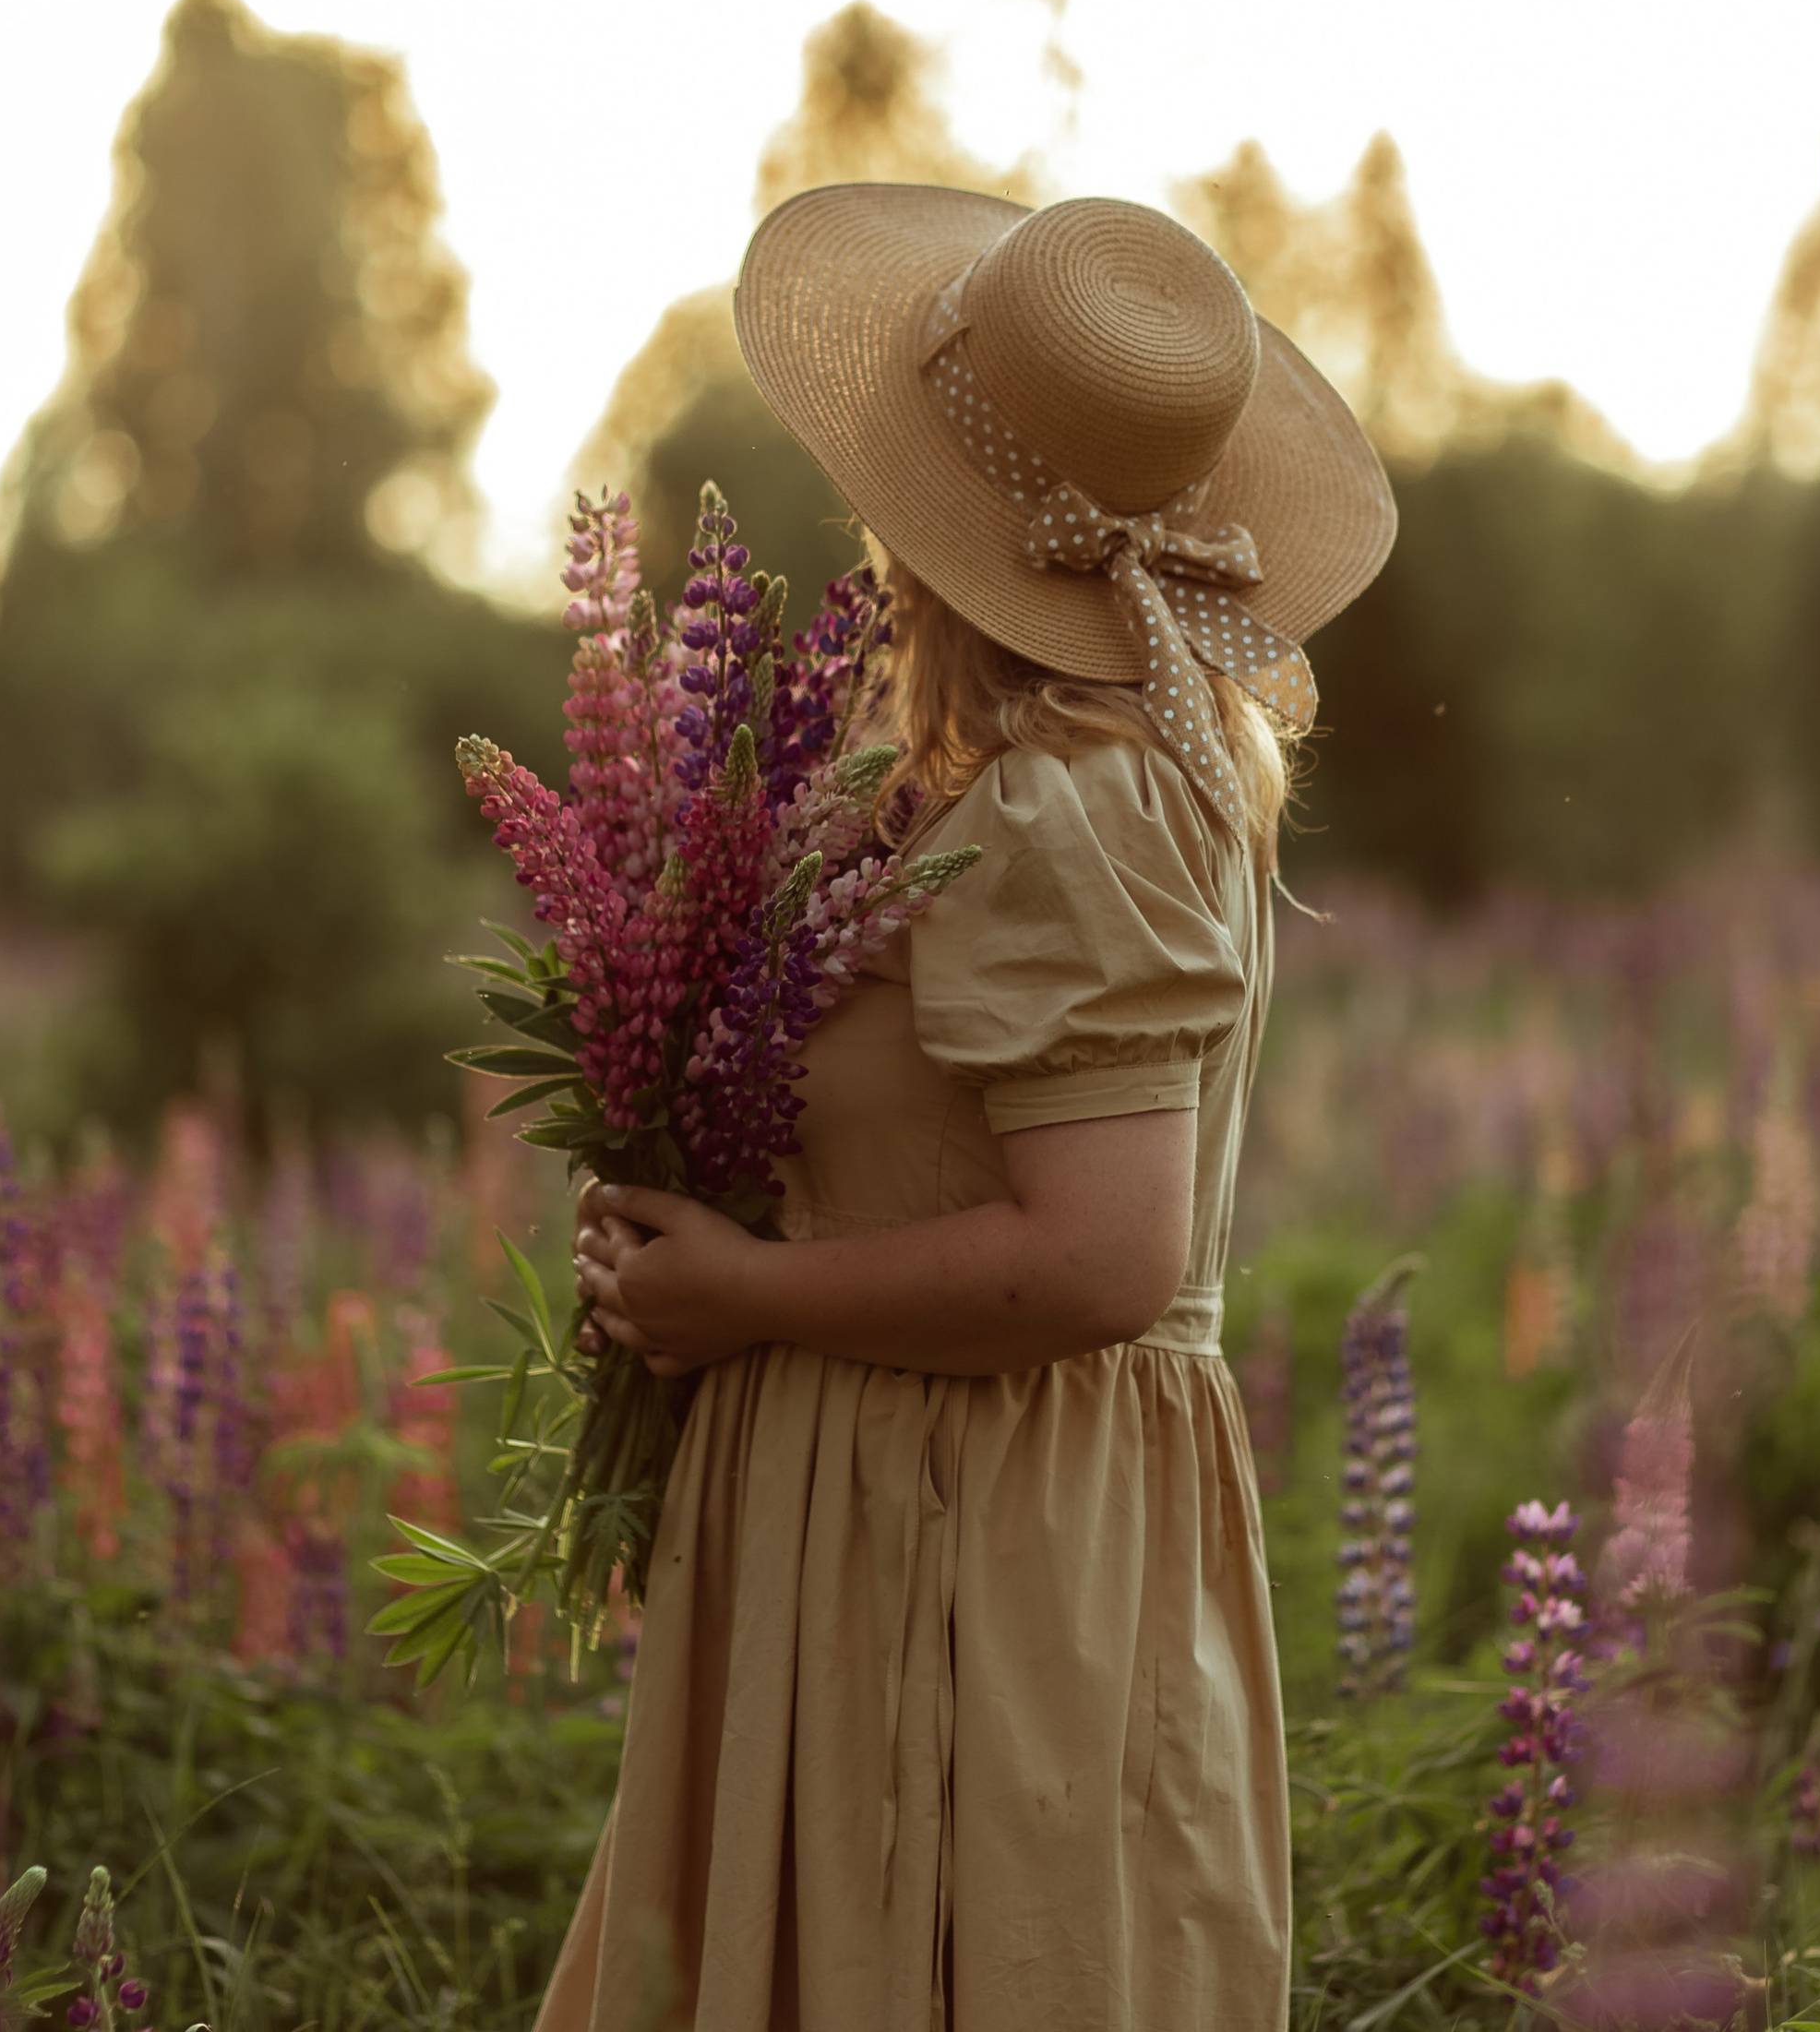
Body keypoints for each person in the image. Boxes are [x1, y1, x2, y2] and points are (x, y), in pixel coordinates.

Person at [540, 187, 1395, 2031]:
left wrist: (746, 1299)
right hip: (877, 1499)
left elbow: (1098, 1257)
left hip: (979, 1525)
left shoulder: (1069, 796)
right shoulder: (974, 764)